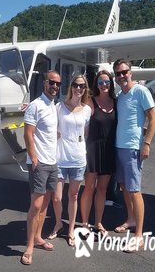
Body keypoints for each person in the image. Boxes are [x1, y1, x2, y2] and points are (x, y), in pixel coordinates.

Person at [112, 58, 155, 253]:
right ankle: (130, 219)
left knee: (134, 190)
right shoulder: (121, 96)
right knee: (123, 187)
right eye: (118, 73)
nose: (121, 76)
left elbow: (153, 118)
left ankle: (138, 235)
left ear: (131, 72)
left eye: (124, 72)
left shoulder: (141, 91)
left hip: (132, 149)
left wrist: (146, 143)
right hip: (119, 147)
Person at [21, 70, 61, 265]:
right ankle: (29, 246)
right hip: (40, 162)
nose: (55, 86)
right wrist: (33, 156)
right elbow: (28, 134)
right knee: (35, 205)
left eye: (58, 84)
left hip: (52, 162)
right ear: (45, 83)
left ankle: (38, 238)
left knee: (45, 204)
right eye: (52, 82)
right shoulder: (35, 106)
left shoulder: (53, 106)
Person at [54, 74, 91, 247]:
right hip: (60, 158)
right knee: (56, 197)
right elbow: (49, 127)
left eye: (82, 86)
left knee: (73, 196)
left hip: (78, 160)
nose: (78, 88)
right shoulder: (59, 107)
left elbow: (86, 134)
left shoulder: (86, 110)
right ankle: (58, 223)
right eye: (76, 85)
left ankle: (70, 230)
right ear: (71, 87)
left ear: (85, 89)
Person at [80, 70, 117, 237]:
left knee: (102, 189)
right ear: (96, 84)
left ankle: (98, 222)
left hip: (109, 151)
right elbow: (80, 123)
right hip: (93, 150)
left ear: (111, 84)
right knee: (89, 188)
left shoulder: (116, 103)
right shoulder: (90, 102)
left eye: (107, 82)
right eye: (101, 82)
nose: (104, 85)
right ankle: (85, 223)